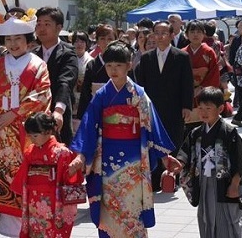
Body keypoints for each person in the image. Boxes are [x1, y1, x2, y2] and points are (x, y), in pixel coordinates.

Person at [69, 41, 182, 238]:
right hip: (106, 160)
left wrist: (165, 158)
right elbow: (88, 125)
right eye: (109, 65)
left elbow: (151, 126)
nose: (113, 70)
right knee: (109, 209)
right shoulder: (102, 94)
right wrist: (81, 155)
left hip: (133, 160)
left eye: (118, 65)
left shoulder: (139, 94)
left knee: (131, 206)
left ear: (129, 65)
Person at [0, 10, 52, 237]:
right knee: (6, 182)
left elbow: (42, 95)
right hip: (1, 136)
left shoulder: (38, 65)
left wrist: (14, 114)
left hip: (28, 136)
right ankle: (9, 228)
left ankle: (32, 228)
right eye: (8, 39)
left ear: (28, 40)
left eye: (18, 39)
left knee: (30, 182)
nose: (13, 44)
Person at [176, 86, 242, 238]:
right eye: (200, 108)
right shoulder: (196, 133)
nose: (203, 112)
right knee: (206, 218)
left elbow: (240, 160)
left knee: (230, 220)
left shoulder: (229, 133)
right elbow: (185, 154)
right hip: (204, 182)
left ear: (221, 108)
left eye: (208, 108)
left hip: (225, 184)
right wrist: (177, 166)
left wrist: (235, 184)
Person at [134, 20, 193, 192]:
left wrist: (187, 106)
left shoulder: (181, 56)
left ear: (171, 35)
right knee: (153, 141)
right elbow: (141, 85)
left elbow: (187, 83)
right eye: (156, 33)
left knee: (173, 139)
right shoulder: (146, 58)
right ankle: (154, 176)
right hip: (152, 108)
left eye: (164, 33)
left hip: (174, 106)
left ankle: (171, 176)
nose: (160, 36)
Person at [11, 112, 83, 238]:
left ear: (48, 132)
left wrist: (71, 171)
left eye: (35, 135)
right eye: (30, 136)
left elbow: (69, 181)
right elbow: (23, 177)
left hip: (55, 203)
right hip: (34, 200)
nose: (32, 139)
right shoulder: (30, 152)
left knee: (54, 231)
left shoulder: (62, 152)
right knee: (35, 231)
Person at [34, 7, 78, 146]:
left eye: (47, 24)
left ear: (59, 28)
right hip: (34, 113)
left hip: (57, 112)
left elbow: (65, 82)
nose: (41, 28)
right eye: (39, 23)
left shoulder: (68, 53)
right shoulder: (32, 55)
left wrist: (58, 110)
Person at [182, 20, 220, 132]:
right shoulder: (182, 53)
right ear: (186, 34)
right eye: (192, 31)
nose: (195, 35)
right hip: (187, 94)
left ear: (204, 34)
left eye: (199, 32)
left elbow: (214, 73)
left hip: (205, 93)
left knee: (205, 124)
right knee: (188, 127)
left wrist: (202, 88)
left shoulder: (209, 52)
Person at [77, 24, 116, 122]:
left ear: (116, 40)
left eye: (110, 39)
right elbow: (86, 93)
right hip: (96, 110)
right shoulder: (92, 64)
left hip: (118, 110)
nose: (106, 42)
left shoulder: (122, 63)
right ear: (97, 41)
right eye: (102, 38)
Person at [71, 31, 93, 133]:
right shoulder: (69, 58)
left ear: (86, 43)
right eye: (76, 41)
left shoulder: (91, 60)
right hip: (71, 96)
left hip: (84, 96)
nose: (79, 44)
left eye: (82, 41)